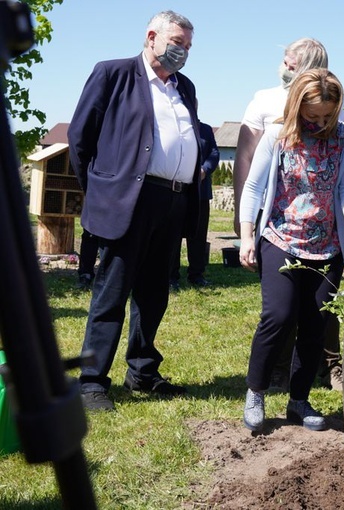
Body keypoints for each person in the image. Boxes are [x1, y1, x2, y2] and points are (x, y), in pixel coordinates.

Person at [68, 10, 201, 411]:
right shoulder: (113, 74)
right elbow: (80, 139)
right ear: (151, 37)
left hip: (173, 201)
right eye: (177, 43)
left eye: (188, 47)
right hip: (128, 202)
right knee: (111, 294)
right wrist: (102, 192)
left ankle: (142, 372)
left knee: (154, 294)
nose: (183, 52)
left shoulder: (186, 87)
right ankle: (91, 382)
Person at [239, 69, 344, 433]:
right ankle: (256, 391)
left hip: (326, 246)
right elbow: (252, 190)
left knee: (316, 324)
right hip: (280, 240)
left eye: (328, 115)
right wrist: (247, 236)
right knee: (278, 317)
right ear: (298, 106)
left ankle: (299, 400)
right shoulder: (277, 136)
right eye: (313, 116)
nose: (321, 122)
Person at [170, 120, 220, 290]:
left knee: (198, 235)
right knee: (173, 235)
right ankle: (171, 276)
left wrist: (204, 169)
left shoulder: (205, 129)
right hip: (176, 190)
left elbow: (214, 153)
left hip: (200, 191)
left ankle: (196, 274)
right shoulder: (173, 126)